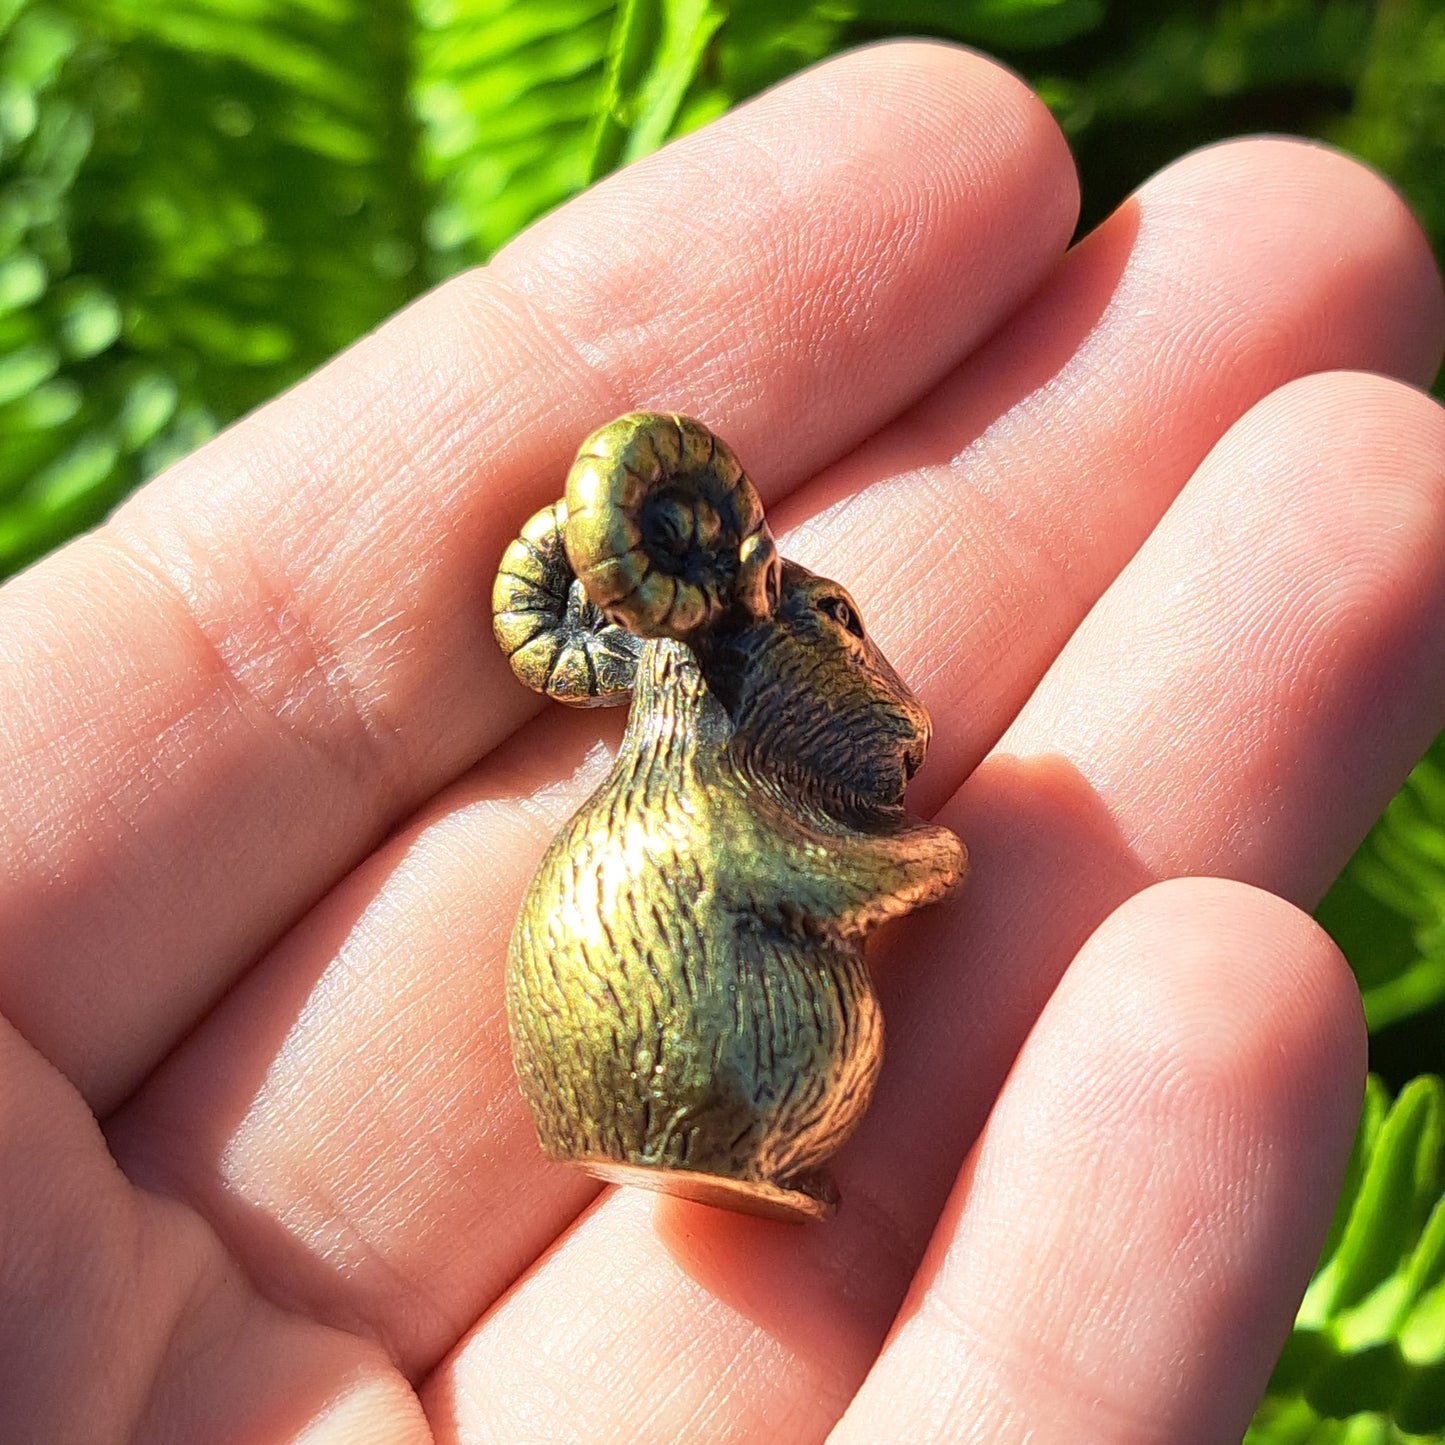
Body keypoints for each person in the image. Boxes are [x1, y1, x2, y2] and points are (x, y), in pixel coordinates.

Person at [1, 40, 1442, 1444]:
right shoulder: (698, 797)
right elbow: (839, 872)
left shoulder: (698, 782)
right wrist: (922, 855)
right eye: (839, 633)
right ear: (763, 640)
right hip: (703, 1108)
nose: (898, 706)